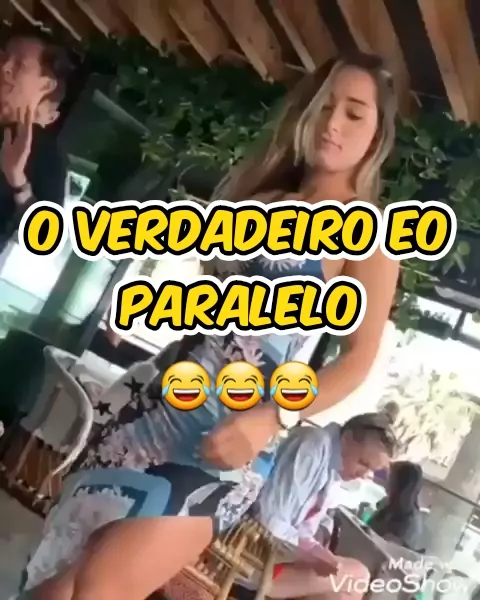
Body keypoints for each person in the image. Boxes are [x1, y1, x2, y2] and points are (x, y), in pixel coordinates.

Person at [18, 51, 400, 600]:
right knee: (57, 580)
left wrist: (273, 417)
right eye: (325, 106)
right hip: (154, 410)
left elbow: (357, 361)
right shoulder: (259, 202)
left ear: (377, 135)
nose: (333, 122)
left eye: (355, 113)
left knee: (100, 586)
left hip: (231, 434)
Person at [242, 412, 396, 600]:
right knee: (358, 576)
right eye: (363, 463)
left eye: (372, 470)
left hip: (272, 555)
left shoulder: (332, 467)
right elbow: (270, 521)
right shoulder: (313, 446)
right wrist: (312, 553)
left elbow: (306, 523)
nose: (364, 475)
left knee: (341, 593)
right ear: (347, 439)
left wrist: (317, 549)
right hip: (250, 556)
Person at [0, 29, 69, 252]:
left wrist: (18, 181)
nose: (5, 67)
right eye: (4, 57)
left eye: (19, 64)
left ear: (46, 85)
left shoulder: (46, 152)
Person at [368, 461, 424, 552]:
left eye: (390, 479)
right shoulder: (387, 503)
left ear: (400, 485)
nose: (386, 482)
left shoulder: (410, 524)